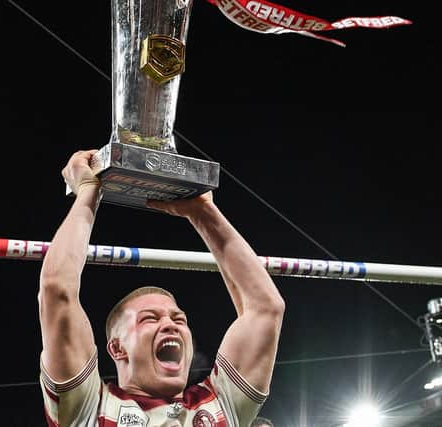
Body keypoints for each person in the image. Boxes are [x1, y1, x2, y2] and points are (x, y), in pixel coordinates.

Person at [38, 150, 285, 427]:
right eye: (150, 318)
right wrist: (87, 193)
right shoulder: (90, 405)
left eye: (179, 319)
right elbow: (57, 291)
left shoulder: (218, 404)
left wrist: (203, 212)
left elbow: (266, 308)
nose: (171, 325)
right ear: (117, 348)